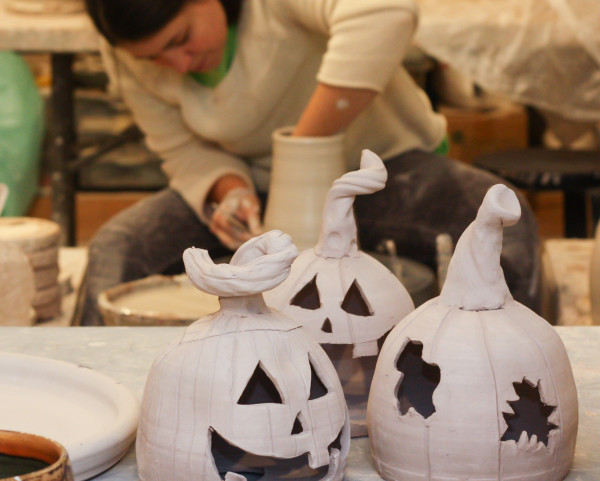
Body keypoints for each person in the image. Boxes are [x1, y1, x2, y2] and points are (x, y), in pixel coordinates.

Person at [78, 0, 540, 325]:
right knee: (118, 245)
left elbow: (385, 11)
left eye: (181, 39)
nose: (175, 64)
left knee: (503, 220)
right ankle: (110, 402)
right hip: (258, 187)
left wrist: (303, 150)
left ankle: (508, 371)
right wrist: (226, 189)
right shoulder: (127, 53)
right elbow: (179, 148)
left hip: (383, 166)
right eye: (154, 57)